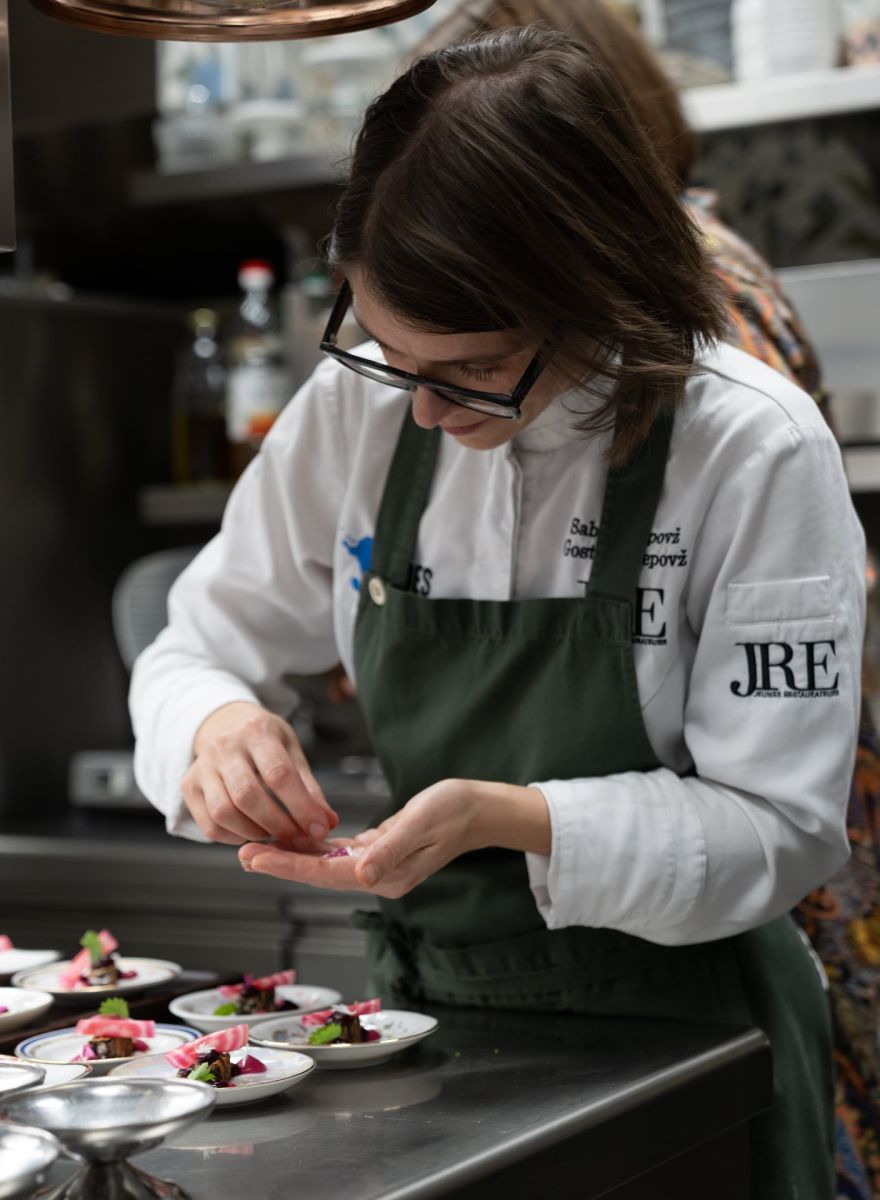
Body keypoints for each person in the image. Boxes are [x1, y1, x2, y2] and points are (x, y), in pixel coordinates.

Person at [131, 25, 866, 1198]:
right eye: (389, 351)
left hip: (686, 1043)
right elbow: (196, 644)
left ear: (597, 294)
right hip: (426, 1038)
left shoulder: (749, 447)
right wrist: (213, 729)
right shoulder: (361, 409)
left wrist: (514, 819)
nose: (422, 411)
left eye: (471, 368)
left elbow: (780, 830)